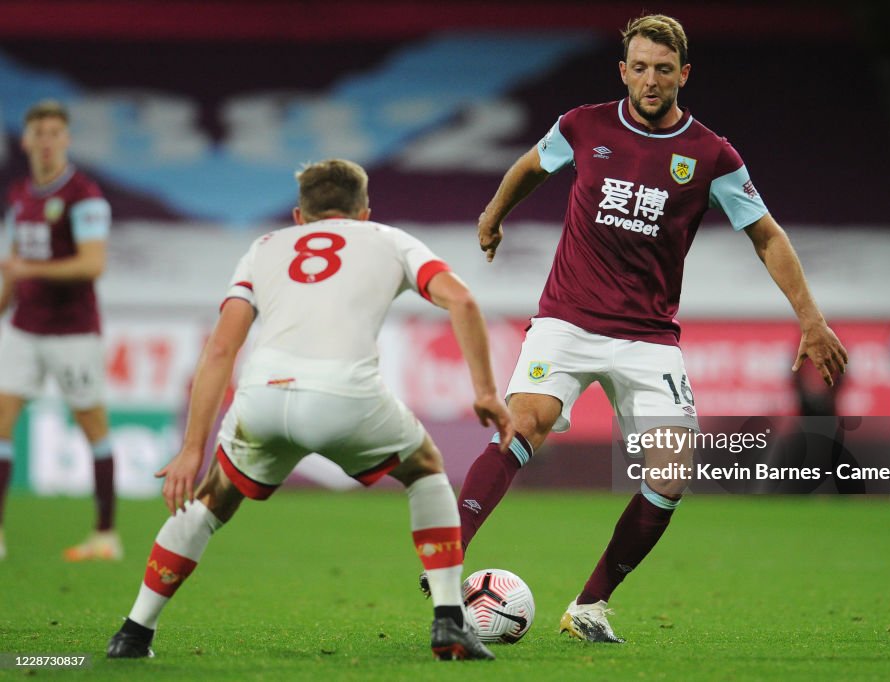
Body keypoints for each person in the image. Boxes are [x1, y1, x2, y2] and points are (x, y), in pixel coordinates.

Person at [450, 14, 849, 642]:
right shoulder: (584, 125)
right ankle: (449, 558)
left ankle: (588, 606)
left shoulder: (712, 155)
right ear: (623, 71)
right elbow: (531, 164)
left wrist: (811, 318)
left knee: (671, 472)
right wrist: (495, 212)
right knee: (522, 420)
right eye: (640, 67)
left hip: (648, 336)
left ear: (684, 74)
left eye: (664, 69)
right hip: (567, 320)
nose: (651, 79)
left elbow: (765, 234)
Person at [106, 159, 514, 661]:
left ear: (300, 216)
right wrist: (487, 392)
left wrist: (192, 448)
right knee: (426, 469)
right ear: (364, 211)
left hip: (263, 396)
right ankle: (450, 622)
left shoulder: (264, 248)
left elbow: (218, 351)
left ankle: (133, 633)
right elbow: (464, 302)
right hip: (345, 397)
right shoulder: (389, 239)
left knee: (212, 499)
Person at [0, 100, 119, 562]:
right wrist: (6, 296)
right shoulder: (18, 194)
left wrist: (26, 267)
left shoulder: (84, 195)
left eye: (55, 133)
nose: (46, 141)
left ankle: (105, 535)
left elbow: (93, 263)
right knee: (2, 421)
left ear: (66, 139)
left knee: (94, 427)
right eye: (39, 133)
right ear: (26, 140)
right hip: (24, 328)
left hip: (73, 331)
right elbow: (11, 264)